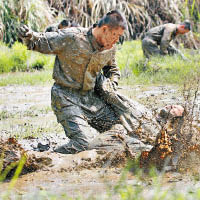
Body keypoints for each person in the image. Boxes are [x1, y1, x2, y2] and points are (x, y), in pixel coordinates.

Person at [18, 10, 163, 155]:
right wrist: (28, 35)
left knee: (121, 132)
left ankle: (112, 157)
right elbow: (40, 41)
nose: (116, 40)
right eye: (116, 35)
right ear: (105, 29)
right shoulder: (72, 36)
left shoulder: (110, 48)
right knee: (83, 144)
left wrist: (111, 85)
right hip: (65, 98)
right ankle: (43, 158)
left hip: (91, 100)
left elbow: (112, 69)